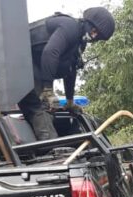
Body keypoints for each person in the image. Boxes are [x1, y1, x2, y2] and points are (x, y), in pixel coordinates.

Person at [18, 7, 115, 140]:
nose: (94, 37)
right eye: (94, 31)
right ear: (88, 23)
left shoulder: (79, 44)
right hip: (21, 62)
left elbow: (70, 70)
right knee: (40, 105)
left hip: (36, 69)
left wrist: (70, 101)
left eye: (98, 36)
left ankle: (57, 146)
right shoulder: (70, 27)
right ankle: (51, 149)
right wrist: (48, 90)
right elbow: (50, 53)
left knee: (51, 108)